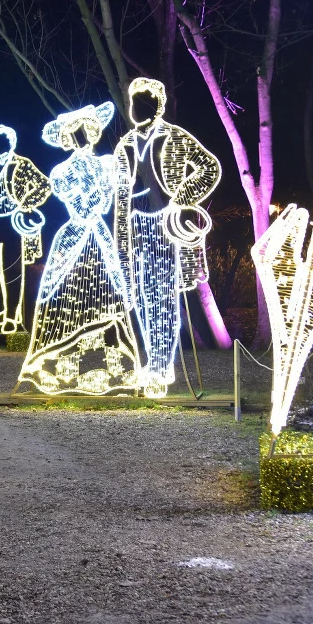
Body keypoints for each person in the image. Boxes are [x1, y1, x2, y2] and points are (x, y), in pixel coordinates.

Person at [19, 103, 140, 395]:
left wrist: (106, 183)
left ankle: (116, 365)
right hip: (75, 236)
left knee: (107, 295)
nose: (82, 135)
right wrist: (99, 187)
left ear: (93, 131)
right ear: (68, 138)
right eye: (75, 131)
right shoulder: (62, 171)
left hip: (98, 237)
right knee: (65, 296)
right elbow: (84, 208)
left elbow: (105, 204)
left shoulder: (107, 164)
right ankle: (61, 364)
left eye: (85, 129)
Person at [113, 78, 221, 397]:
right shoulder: (125, 145)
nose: (135, 109)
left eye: (142, 103)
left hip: (166, 227)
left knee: (163, 299)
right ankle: (153, 363)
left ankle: (161, 368)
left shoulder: (174, 137)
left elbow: (209, 168)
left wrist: (181, 198)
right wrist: (121, 239)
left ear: (156, 106)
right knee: (142, 299)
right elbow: (120, 197)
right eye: (133, 103)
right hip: (137, 227)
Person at [0, 124, 51, 332]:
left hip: (15, 222)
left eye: (0, 141)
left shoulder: (22, 164)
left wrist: (25, 204)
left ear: (11, 143)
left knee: (13, 270)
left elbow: (44, 185)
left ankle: (12, 316)